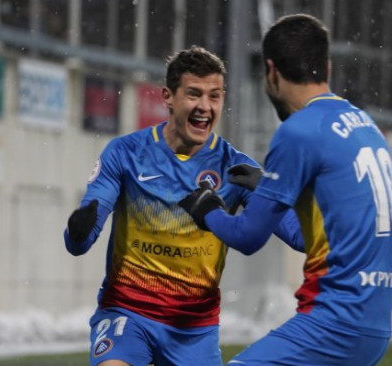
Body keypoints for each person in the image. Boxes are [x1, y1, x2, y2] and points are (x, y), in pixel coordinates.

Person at [179, 14, 392, 366]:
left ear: (271, 71)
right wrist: (263, 190)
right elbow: (309, 239)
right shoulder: (367, 128)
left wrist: (208, 211)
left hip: (333, 322)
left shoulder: (299, 131)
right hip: (373, 326)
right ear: (325, 66)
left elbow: (249, 236)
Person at [63, 46, 303, 366]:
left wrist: (273, 193)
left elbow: (301, 238)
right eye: (194, 94)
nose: (205, 106)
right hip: (128, 314)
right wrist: (78, 230)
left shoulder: (237, 169)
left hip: (194, 331)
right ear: (168, 96)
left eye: (214, 96)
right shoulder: (125, 153)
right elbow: (80, 239)